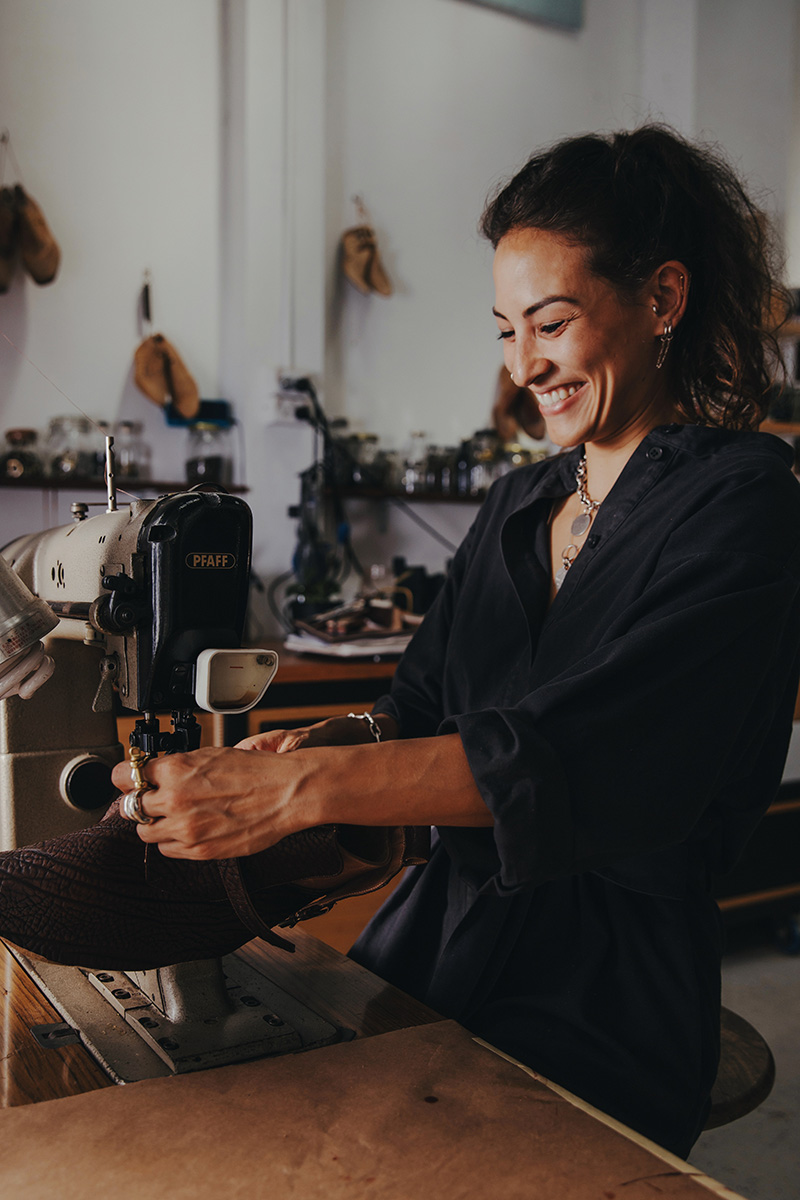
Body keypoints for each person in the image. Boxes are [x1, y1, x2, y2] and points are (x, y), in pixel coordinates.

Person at [5, 125, 800, 1157]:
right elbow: (414, 710)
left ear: (660, 299)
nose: (523, 367)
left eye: (550, 323)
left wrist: (301, 795)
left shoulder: (742, 504)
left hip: (606, 992)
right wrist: (291, 756)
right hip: (434, 942)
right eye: (504, 330)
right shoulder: (520, 501)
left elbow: (597, 761)